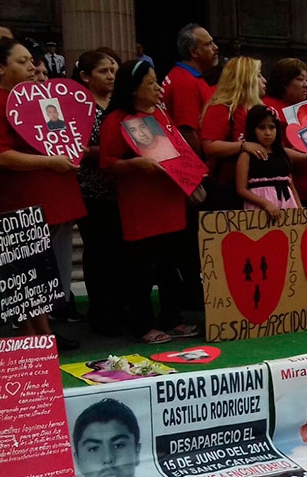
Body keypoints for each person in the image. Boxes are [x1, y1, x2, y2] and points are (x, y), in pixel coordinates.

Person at [0, 39, 84, 350]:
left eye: (31, 60)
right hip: (23, 201)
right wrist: (50, 162)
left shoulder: (38, 98)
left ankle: (43, 334)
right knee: (28, 273)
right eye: (21, 61)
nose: (32, 66)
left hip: (55, 196)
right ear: (0, 67)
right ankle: (35, 338)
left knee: (46, 271)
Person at [100, 58, 198, 344]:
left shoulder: (161, 115)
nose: (158, 88)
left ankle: (173, 318)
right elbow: (107, 164)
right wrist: (135, 165)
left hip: (170, 202)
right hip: (140, 207)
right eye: (151, 83)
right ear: (133, 89)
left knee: (170, 268)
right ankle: (143, 325)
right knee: (141, 271)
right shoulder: (116, 120)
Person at [73, 49, 121, 334]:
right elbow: (79, 148)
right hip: (91, 190)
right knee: (97, 252)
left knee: (117, 252)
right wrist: (113, 154)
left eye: (113, 71)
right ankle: (101, 313)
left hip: (120, 189)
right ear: (85, 76)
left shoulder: (117, 104)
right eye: (104, 71)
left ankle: (119, 307)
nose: (110, 76)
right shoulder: (79, 106)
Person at [72, 398, 172, 477]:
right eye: (94, 449)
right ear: (77, 459)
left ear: (137, 451)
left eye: (118, 445)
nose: (108, 458)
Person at [200, 56, 267, 209]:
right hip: (227, 190)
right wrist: (243, 146)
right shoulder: (221, 108)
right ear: (245, 79)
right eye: (258, 75)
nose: (264, 80)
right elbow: (210, 147)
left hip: (255, 187)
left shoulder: (254, 109)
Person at [261, 57, 307, 209]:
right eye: (300, 79)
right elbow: (273, 150)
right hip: (290, 196)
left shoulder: (303, 112)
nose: (306, 85)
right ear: (284, 82)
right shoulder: (269, 109)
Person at [162, 24, 218, 155]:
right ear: (193, 52)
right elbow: (187, 131)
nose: (215, 48)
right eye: (208, 44)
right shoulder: (185, 82)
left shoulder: (188, 77)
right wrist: (203, 169)